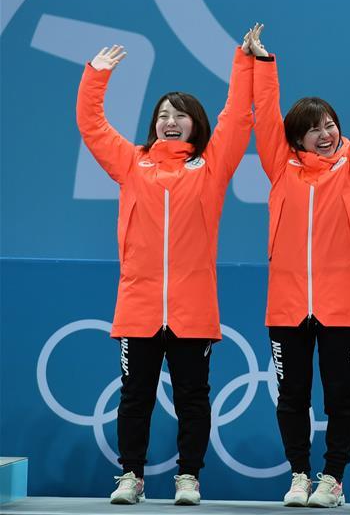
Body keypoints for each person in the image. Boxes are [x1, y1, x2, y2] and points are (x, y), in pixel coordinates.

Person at [75, 32, 254, 506]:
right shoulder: (131, 164)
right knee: (135, 396)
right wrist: (95, 74)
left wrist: (244, 61)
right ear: (154, 126)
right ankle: (130, 476)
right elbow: (92, 126)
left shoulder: (211, 168)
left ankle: (188, 477)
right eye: (162, 116)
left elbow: (236, 118)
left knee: (193, 398)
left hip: (193, 308)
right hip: (139, 305)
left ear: (195, 124)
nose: (170, 122)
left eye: (179, 115)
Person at [250, 24, 350, 507]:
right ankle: (299, 474)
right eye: (313, 128)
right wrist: (263, 63)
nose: (325, 132)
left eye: (329, 124)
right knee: (291, 395)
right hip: (286, 306)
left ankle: (332, 478)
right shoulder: (280, 166)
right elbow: (266, 119)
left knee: (340, 396)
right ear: (297, 138)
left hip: (341, 306)